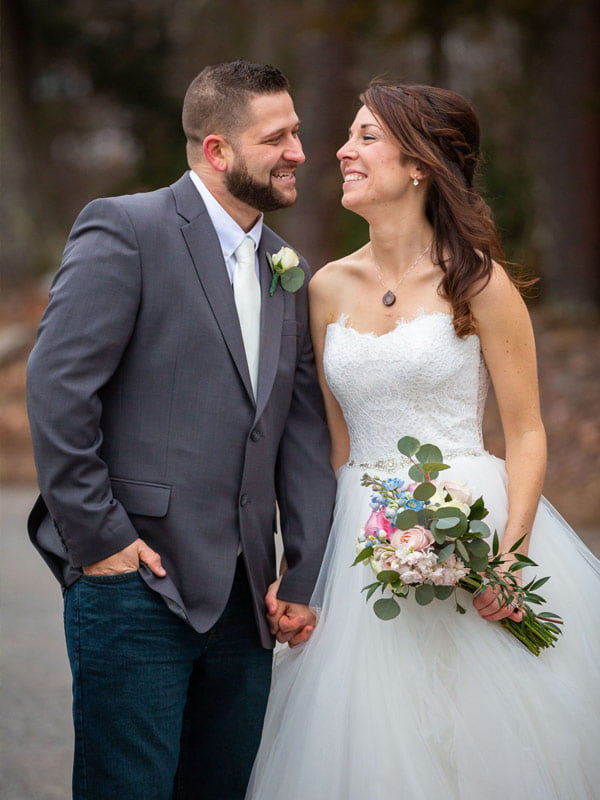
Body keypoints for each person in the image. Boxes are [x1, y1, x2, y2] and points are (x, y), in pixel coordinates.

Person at [247, 82, 600, 799]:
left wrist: (509, 556)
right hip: (359, 542)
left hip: (473, 526)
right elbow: (333, 452)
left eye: (366, 136)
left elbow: (527, 431)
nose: (342, 150)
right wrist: (307, 567)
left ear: (420, 164)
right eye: (349, 135)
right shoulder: (324, 289)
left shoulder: (478, 281)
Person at [26, 59, 336, 800]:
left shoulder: (284, 265)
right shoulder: (127, 227)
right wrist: (99, 541)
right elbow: (59, 389)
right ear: (218, 151)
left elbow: (297, 430)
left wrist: (301, 569)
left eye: (297, 131)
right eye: (278, 137)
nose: (298, 150)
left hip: (248, 601)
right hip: (139, 587)